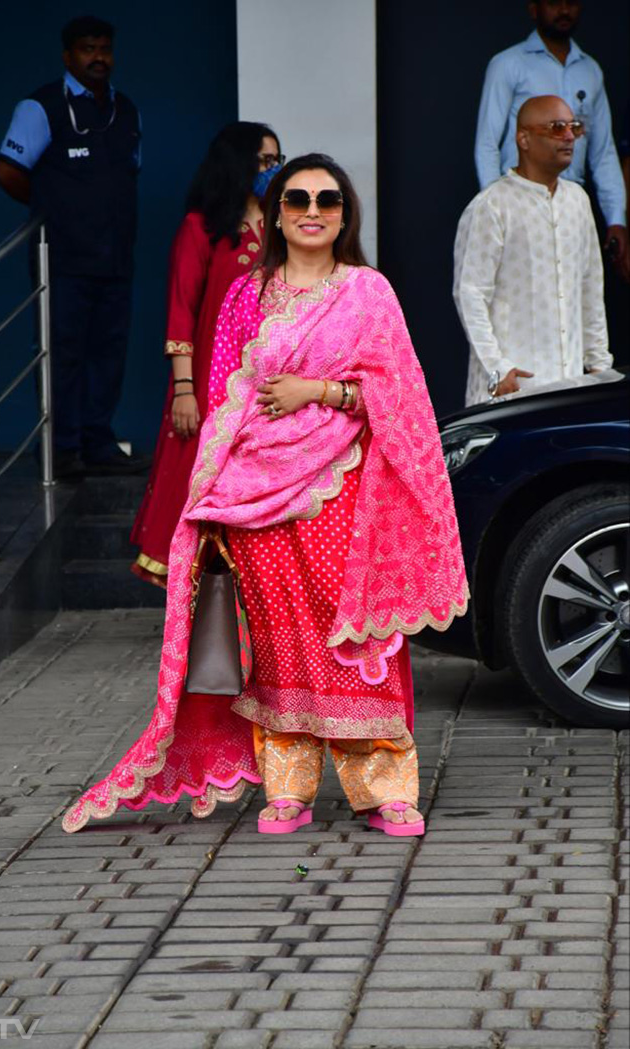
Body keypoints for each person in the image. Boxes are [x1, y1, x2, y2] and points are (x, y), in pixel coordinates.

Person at [62, 154, 468, 837]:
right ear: (276, 213)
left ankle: (384, 789)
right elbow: (226, 394)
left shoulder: (368, 292)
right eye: (298, 198)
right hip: (256, 493)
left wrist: (321, 392)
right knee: (279, 642)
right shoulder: (249, 294)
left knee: (357, 635)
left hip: (340, 487)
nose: (313, 210)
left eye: (328, 200)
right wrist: (211, 492)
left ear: (346, 215)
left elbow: (402, 396)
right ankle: (289, 789)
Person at [130, 122, 283, 588]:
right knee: (199, 481)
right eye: (263, 161)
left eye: (278, 160)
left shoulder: (283, 225)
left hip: (269, 384)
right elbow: (182, 311)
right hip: (209, 385)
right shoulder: (203, 228)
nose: (273, 170)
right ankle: (199, 600)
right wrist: (184, 390)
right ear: (236, 163)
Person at [0, 15, 148, 479]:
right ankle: (62, 450)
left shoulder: (126, 110)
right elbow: (8, 172)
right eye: (87, 49)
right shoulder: (40, 107)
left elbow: (129, 173)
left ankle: (98, 442)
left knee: (109, 351)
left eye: (104, 48)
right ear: (68, 56)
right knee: (64, 352)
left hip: (116, 256)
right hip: (62, 258)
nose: (98, 57)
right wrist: (53, 207)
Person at [455, 95, 612, 405]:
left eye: (574, 127)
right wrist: (496, 368)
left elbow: (590, 287)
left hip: (572, 388)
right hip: (511, 390)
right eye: (556, 127)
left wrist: (599, 367)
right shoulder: (492, 205)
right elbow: (470, 294)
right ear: (523, 138)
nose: (569, 136)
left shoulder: (577, 200)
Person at [474, 0, 628, 283]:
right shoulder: (509, 63)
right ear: (534, 8)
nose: (564, 9)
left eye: (571, 2)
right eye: (555, 2)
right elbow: (487, 143)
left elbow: (603, 152)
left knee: (570, 294)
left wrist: (616, 217)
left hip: (572, 205)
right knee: (521, 292)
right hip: (521, 201)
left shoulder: (590, 70)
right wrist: (496, 208)